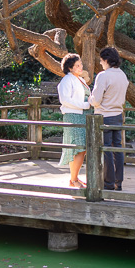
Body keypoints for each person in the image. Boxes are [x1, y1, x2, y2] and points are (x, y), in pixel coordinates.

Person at [89, 47, 129, 191]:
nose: (100, 63)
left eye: (101, 60)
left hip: (104, 116)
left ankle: (108, 183)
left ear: (106, 60)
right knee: (117, 148)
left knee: (106, 150)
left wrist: (89, 99)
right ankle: (119, 182)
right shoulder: (122, 75)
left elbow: (96, 100)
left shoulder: (103, 76)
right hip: (118, 115)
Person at [57, 53, 91, 188]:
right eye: (77, 65)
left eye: (80, 64)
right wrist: (85, 105)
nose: (80, 67)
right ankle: (73, 180)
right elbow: (65, 100)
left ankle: (74, 178)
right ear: (70, 68)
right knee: (78, 148)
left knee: (82, 149)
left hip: (83, 116)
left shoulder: (80, 79)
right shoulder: (67, 80)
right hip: (74, 116)